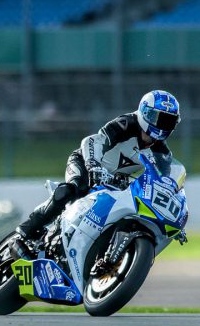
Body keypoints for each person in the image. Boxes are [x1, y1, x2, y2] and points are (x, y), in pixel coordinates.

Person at [11, 89, 181, 258]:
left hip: (114, 183)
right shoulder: (126, 124)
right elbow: (92, 141)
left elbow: (163, 183)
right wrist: (93, 166)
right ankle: (24, 233)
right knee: (71, 189)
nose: (162, 125)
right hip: (85, 164)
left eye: (168, 121)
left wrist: (169, 219)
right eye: (159, 118)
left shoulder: (163, 155)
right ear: (145, 113)